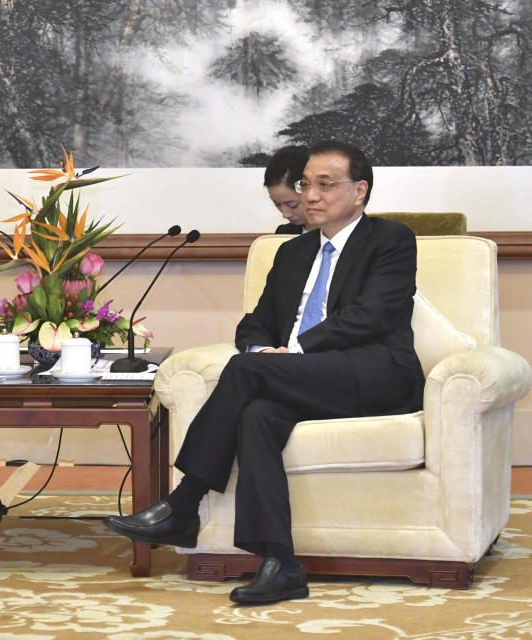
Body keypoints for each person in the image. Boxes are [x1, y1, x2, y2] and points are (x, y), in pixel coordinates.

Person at [104, 140, 424, 605]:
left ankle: (183, 503)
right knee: (257, 414)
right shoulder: (292, 253)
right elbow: (253, 323)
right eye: (305, 185)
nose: (310, 196)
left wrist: (290, 351)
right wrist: (262, 348)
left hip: (373, 376)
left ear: (360, 191)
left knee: (247, 371)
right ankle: (281, 564)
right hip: (302, 379)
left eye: (324, 185)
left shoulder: (391, 240)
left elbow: (371, 316)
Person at [265, 145, 311, 234]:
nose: (285, 215)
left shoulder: (340, 234)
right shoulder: (283, 233)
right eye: (277, 204)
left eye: (293, 205)